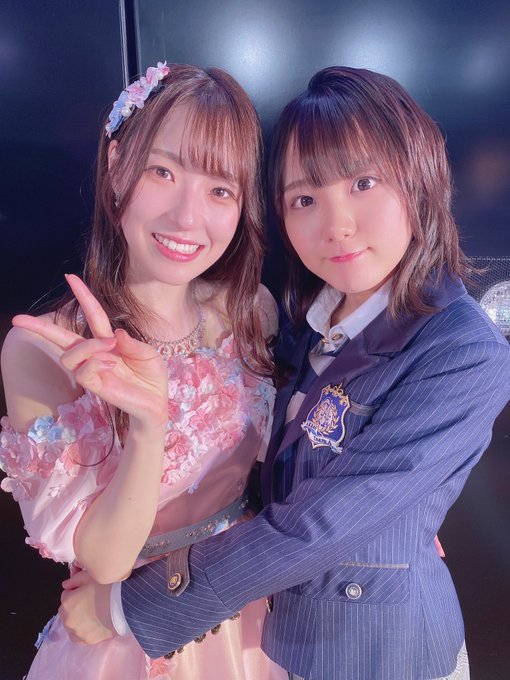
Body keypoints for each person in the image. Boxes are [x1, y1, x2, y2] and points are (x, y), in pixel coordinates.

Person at [57, 67, 510, 680]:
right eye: (304, 199)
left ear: (420, 176)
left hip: (380, 655)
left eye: (363, 182)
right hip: (271, 636)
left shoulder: (463, 351)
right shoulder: (302, 316)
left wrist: (124, 607)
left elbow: (322, 525)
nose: (336, 224)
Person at [0, 62, 288, 680]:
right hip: (124, 635)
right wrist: (148, 426)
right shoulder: (44, 349)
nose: (188, 218)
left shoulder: (251, 311)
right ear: (116, 164)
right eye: (163, 171)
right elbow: (105, 562)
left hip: (248, 605)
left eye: (220, 190)